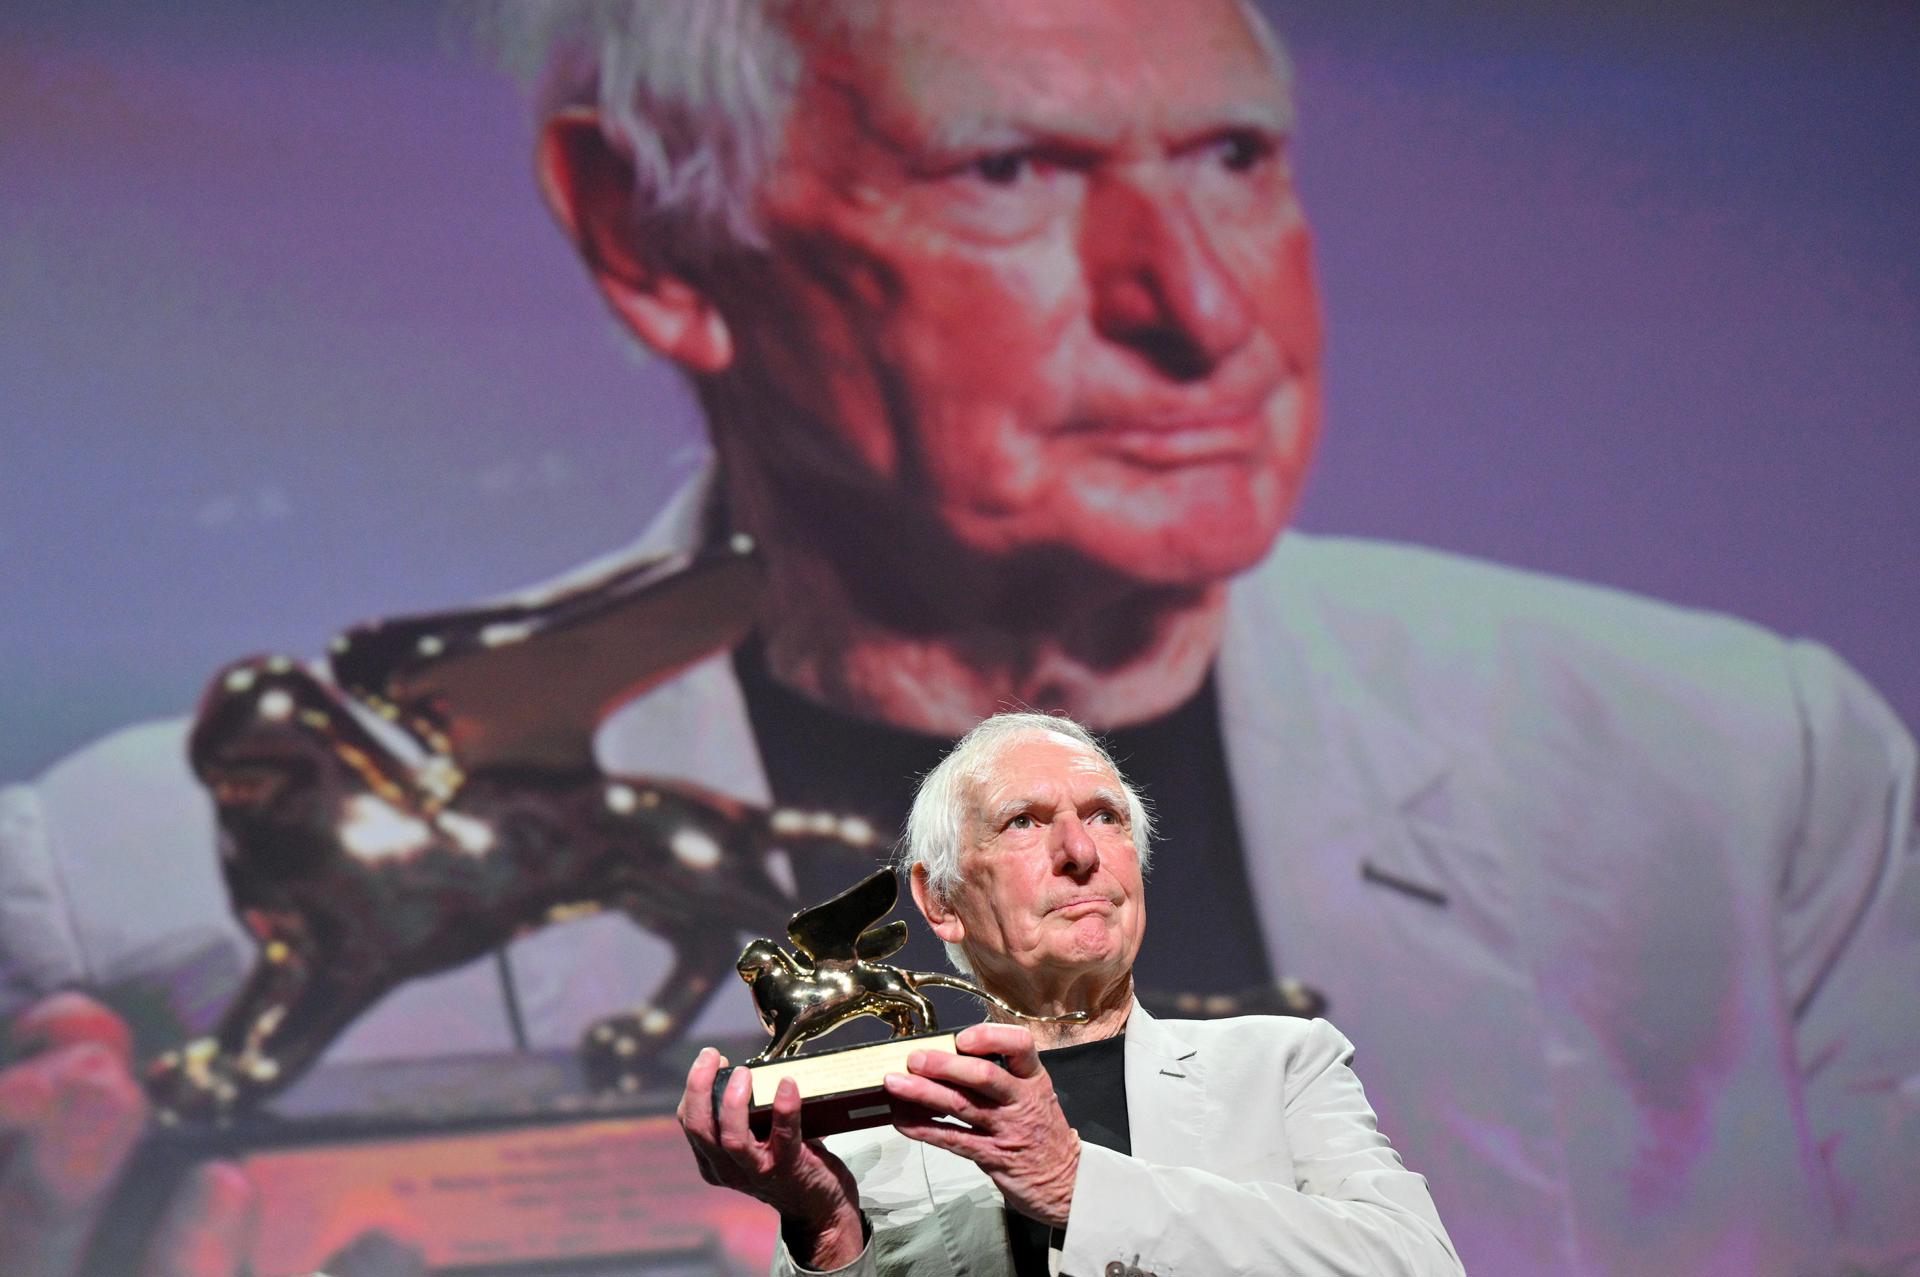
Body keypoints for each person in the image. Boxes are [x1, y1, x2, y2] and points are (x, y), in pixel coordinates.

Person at [2, 0, 1916, 1273]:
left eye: (1236, 158)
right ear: (649, 240)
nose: (1201, 309)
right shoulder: (128, 904)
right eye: (1009, 172)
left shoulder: (1751, 792)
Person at [678, 711, 1463, 1276]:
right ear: (939, 898)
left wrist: (1075, 1184)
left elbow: (1419, 1265)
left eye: (1104, 816)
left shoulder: (1281, 1064)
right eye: (1023, 821)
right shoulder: (868, 1140)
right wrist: (830, 1232)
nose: (1081, 852)